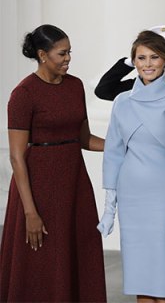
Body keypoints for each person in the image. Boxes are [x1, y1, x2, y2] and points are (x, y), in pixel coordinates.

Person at [0, 24, 106, 302]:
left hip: (74, 184)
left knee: (77, 253)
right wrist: (30, 212)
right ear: (42, 55)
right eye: (62, 53)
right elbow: (16, 156)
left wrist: (120, 146)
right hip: (39, 188)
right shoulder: (24, 93)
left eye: (70, 52)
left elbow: (83, 139)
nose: (68, 58)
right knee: (41, 262)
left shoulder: (75, 86)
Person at [97, 30, 165, 303]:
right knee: (141, 280)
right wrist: (109, 207)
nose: (148, 64)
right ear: (133, 61)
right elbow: (113, 151)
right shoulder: (123, 101)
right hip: (132, 198)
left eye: (154, 57)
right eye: (141, 58)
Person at [94, 25, 165, 101]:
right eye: (158, 51)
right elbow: (103, 91)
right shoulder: (142, 83)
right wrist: (131, 61)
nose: (164, 55)